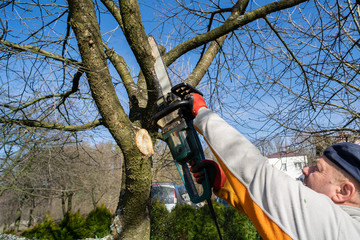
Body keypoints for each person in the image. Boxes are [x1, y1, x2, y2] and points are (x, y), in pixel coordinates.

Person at [188, 93, 360, 239]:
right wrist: (224, 183)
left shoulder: (337, 227)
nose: (305, 169)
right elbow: (272, 216)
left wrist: (203, 114)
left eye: (318, 169)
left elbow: (257, 173)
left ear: (343, 191)